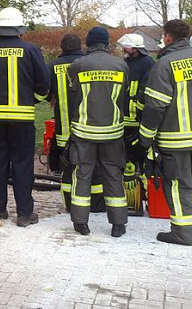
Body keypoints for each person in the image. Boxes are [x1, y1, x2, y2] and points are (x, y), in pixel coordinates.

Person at [140, 19, 192, 246]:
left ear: (167, 37)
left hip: (177, 140)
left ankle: (183, 233)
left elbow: (155, 106)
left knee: (178, 184)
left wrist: (145, 138)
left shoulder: (165, 64)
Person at [0, 7, 49, 227]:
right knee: (22, 165)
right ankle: (25, 214)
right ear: (19, 28)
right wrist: (31, 99)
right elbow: (44, 85)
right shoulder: (30, 50)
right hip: (22, 119)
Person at [66, 27, 129, 237]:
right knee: (112, 175)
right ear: (107, 43)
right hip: (112, 131)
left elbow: (73, 95)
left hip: (84, 131)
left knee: (83, 174)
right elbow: (124, 96)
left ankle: (80, 222)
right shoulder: (121, 65)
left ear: (88, 43)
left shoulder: (77, 66)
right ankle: (118, 224)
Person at [47, 34, 105, 211]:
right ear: (80, 45)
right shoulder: (90, 64)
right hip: (88, 126)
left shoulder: (52, 66)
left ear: (62, 46)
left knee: (68, 169)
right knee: (92, 167)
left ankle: (70, 204)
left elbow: (46, 93)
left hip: (64, 128)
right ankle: (95, 204)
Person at [116, 33, 155, 214]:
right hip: (124, 121)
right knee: (127, 164)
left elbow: (147, 94)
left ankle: (148, 199)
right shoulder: (125, 64)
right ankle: (133, 202)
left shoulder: (149, 64)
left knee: (141, 163)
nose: (124, 50)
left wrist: (141, 115)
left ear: (135, 48)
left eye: (126, 47)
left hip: (138, 122)